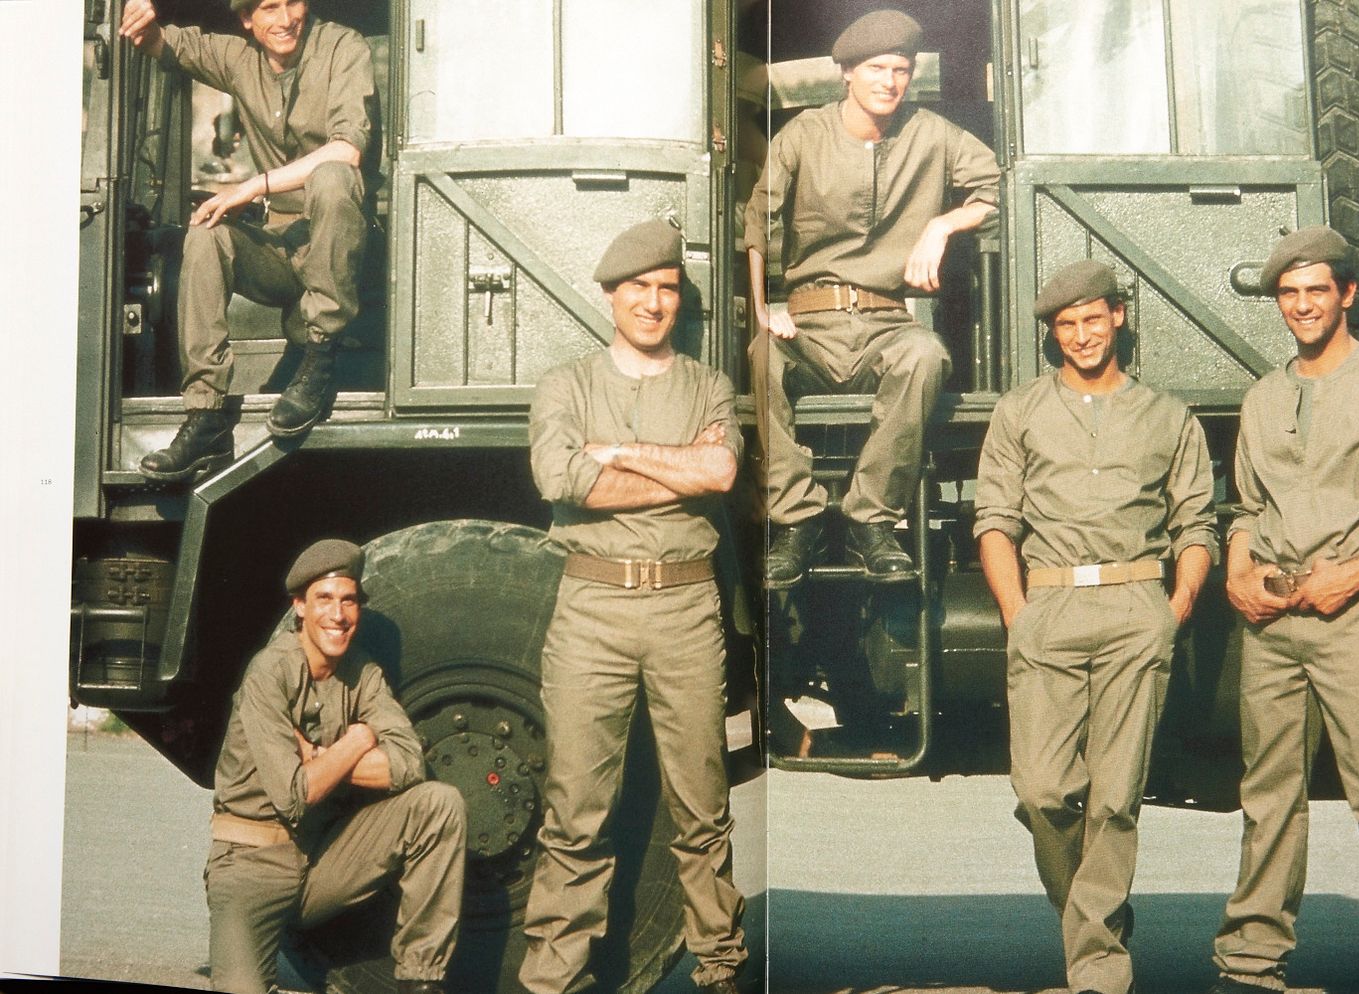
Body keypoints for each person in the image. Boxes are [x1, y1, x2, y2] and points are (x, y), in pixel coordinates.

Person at [1205, 226, 1359, 994]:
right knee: (1268, 797)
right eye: (1289, 294)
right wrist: (1236, 567)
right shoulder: (1265, 394)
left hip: (1358, 620)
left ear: (1347, 294)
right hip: (1272, 623)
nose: (1303, 306)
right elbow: (1245, 506)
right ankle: (1251, 961)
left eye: (1317, 290)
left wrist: (1351, 578)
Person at [974, 260, 1217, 994]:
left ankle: (1098, 969)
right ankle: (1096, 915)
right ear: (1055, 335)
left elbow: (1195, 525)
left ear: (1118, 317)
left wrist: (1171, 612)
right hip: (1048, 606)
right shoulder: (1019, 412)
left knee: (1115, 798)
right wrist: (1018, 614)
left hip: (1135, 607)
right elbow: (995, 522)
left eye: (1093, 319)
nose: (1082, 335)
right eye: (1066, 325)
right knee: (1044, 790)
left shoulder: (1168, 416)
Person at [521, 220, 747, 994]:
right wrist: (675, 472)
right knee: (576, 805)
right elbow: (558, 479)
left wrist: (613, 454)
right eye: (639, 290)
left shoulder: (708, 384)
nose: (654, 304)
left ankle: (719, 964)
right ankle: (556, 975)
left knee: (701, 803)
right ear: (612, 296)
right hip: (592, 604)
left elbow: (719, 472)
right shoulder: (567, 384)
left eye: (667, 290)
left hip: (685, 605)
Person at [745, 8, 1001, 587]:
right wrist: (764, 309)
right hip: (809, 324)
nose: (890, 81)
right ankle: (797, 520)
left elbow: (995, 189)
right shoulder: (805, 132)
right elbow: (757, 219)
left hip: (888, 325)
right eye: (876, 69)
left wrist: (940, 227)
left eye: (902, 70)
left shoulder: (931, 133)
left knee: (927, 357)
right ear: (847, 75)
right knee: (764, 358)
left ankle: (871, 520)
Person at [117, 0, 378, 481]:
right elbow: (162, 43)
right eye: (269, 8)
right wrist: (140, 16)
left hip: (342, 249)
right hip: (282, 245)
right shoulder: (240, 59)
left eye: (293, 2)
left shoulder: (343, 46)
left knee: (333, 177)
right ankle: (205, 415)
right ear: (246, 20)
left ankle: (319, 357)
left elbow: (346, 150)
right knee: (205, 237)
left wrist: (250, 186)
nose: (285, 19)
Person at [206, 539, 465, 994]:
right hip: (252, 864)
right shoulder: (270, 671)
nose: (338, 615)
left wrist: (331, 757)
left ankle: (420, 981)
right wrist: (361, 740)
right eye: (324, 599)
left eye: (348, 600)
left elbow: (409, 764)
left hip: (323, 860)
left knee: (438, 803)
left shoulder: (362, 673)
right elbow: (294, 795)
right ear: (299, 607)